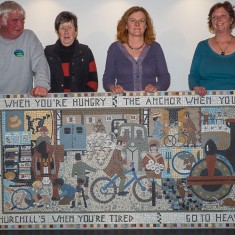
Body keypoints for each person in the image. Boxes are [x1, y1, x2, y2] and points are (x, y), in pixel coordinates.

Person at [102, 6, 170, 94]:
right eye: (132, 20)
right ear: (126, 25)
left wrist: (156, 88)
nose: (137, 24)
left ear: (146, 25)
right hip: (123, 104)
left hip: (150, 103)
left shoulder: (155, 48)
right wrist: (113, 88)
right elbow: (107, 79)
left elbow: (165, 78)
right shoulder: (114, 48)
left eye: (141, 21)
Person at [0, 1, 50, 96]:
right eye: (15, 21)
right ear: (2, 21)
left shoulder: (29, 37)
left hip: (23, 103)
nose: (20, 25)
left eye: (22, 20)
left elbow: (40, 63)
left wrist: (41, 85)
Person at [188, 1, 235, 96]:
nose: (218, 19)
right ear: (211, 22)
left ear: (231, 20)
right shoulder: (202, 46)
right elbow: (193, 76)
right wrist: (195, 87)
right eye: (214, 17)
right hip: (206, 102)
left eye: (223, 16)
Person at [45, 11, 98, 93]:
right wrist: (53, 99)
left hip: (81, 104)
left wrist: (82, 100)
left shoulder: (86, 52)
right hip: (55, 104)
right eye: (62, 28)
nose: (66, 31)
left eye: (70, 27)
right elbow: (43, 80)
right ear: (58, 31)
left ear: (76, 31)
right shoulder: (47, 53)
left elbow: (93, 82)